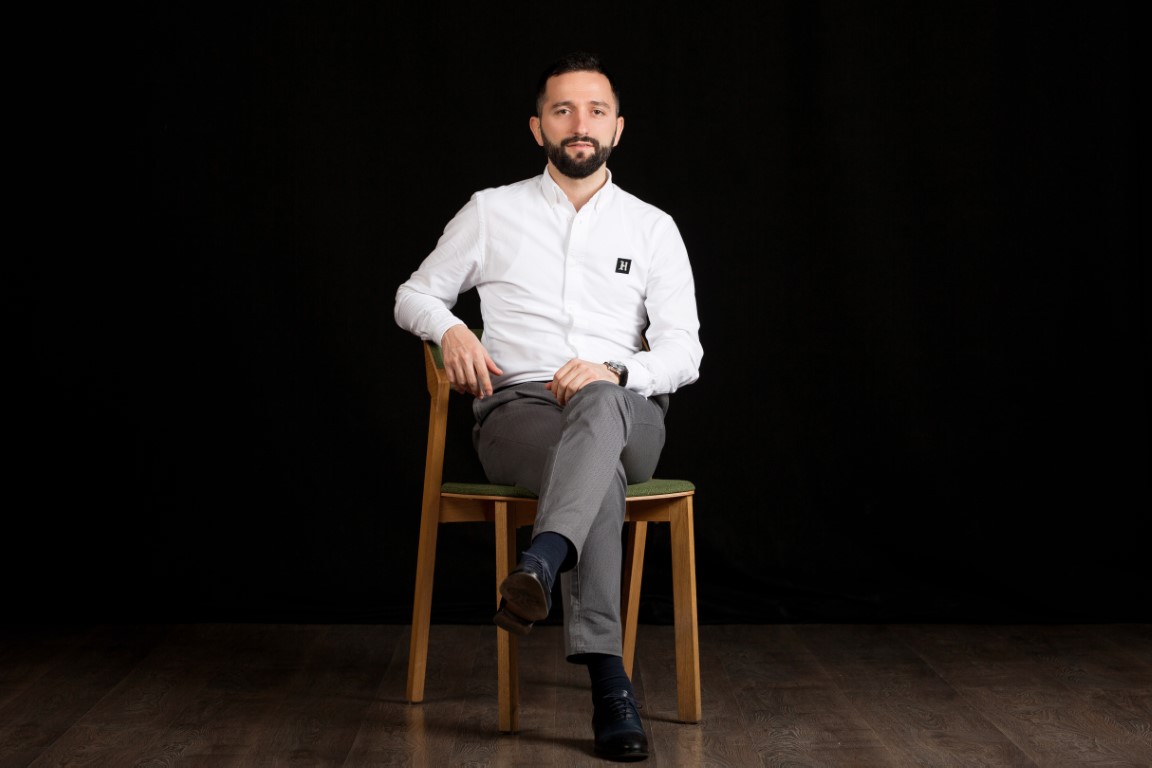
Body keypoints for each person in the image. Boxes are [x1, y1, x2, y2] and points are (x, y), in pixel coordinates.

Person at [394, 51, 703, 762]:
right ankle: (610, 685)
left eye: (596, 110)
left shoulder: (652, 227)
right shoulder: (491, 211)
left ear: (617, 128)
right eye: (563, 110)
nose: (579, 123)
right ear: (538, 128)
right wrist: (451, 328)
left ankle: (542, 558)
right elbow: (413, 294)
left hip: (626, 411)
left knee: (601, 406)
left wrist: (617, 369)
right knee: (598, 477)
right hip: (519, 413)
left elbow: (685, 352)